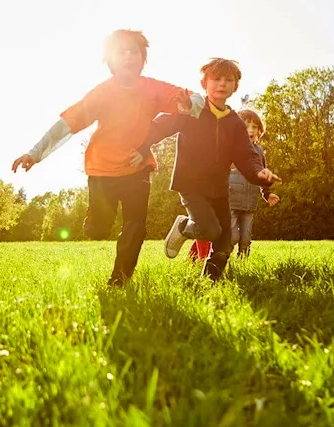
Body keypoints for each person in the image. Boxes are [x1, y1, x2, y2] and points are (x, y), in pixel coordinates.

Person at [11, 29, 204, 286]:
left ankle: (119, 279)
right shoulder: (102, 93)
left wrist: (189, 104)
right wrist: (35, 153)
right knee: (98, 229)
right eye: (121, 51)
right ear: (110, 59)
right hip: (102, 170)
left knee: (135, 226)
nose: (128, 56)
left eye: (133, 51)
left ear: (142, 57)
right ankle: (94, 219)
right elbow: (66, 125)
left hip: (137, 168)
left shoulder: (153, 88)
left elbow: (193, 98)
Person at [133, 58, 280, 281]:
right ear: (204, 83)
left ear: (235, 86)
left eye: (228, 80)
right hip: (191, 185)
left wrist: (259, 174)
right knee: (211, 230)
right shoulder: (193, 110)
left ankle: (207, 284)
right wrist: (143, 148)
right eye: (216, 79)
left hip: (219, 189)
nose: (222, 84)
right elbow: (162, 125)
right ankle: (183, 226)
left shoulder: (235, 124)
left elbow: (247, 156)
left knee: (224, 244)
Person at [189, 108, 280, 261]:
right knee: (232, 236)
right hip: (230, 200)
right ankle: (216, 259)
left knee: (246, 238)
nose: (250, 130)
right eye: (245, 126)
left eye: (254, 127)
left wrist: (267, 193)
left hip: (249, 203)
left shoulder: (259, 152)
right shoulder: (230, 149)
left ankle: (242, 263)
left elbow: (262, 176)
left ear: (259, 131)